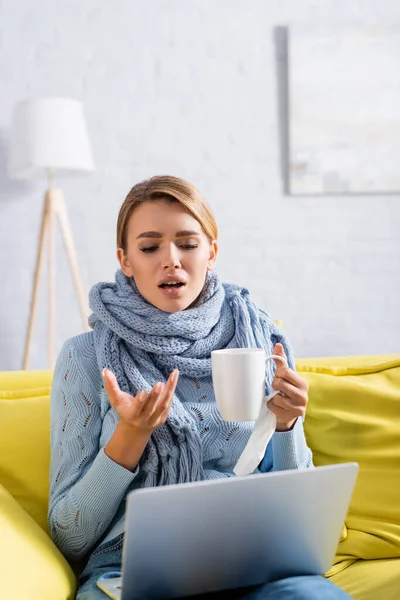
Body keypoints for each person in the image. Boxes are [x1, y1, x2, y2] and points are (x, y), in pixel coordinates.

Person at [48, 175, 352, 599]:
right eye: (150, 246)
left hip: (255, 559)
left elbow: (302, 522)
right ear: (126, 260)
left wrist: (286, 426)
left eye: (188, 244)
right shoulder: (85, 357)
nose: (170, 260)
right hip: (130, 569)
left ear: (212, 251)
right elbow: (69, 537)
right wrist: (129, 436)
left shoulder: (262, 338)